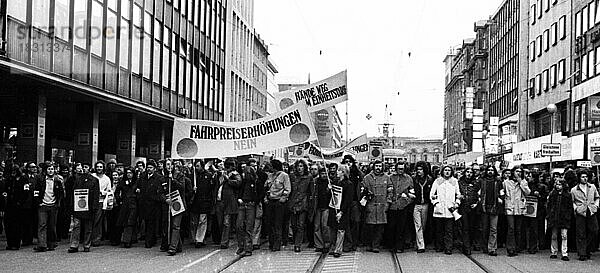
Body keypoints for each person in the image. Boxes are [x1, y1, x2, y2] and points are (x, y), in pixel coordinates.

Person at [68, 163, 100, 253]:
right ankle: (74, 245)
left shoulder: (94, 180)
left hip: (89, 207)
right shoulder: (77, 179)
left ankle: (86, 245)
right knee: (76, 226)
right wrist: (72, 205)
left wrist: (94, 207)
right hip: (78, 206)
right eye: (82, 167)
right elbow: (73, 192)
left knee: (88, 227)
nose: (83, 169)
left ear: (90, 168)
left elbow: (96, 195)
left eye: (85, 167)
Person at [33, 162, 65, 252]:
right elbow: (36, 191)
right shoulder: (40, 179)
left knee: (52, 226)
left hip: (53, 206)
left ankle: (51, 244)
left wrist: (57, 203)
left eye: (52, 169)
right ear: (45, 170)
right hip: (43, 205)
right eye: (49, 169)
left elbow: (61, 194)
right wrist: (39, 202)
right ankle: (42, 245)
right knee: (42, 225)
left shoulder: (57, 180)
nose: (51, 171)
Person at [161, 159, 191, 256]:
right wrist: (165, 199)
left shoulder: (180, 175)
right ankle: (178, 246)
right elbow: (160, 191)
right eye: (167, 165)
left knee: (176, 225)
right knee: (169, 225)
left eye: (170, 165)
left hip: (178, 203)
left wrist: (173, 180)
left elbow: (182, 187)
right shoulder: (162, 177)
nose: (169, 167)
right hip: (168, 204)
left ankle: (172, 248)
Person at [363, 160, 393, 253]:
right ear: (373, 167)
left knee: (380, 227)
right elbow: (363, 190)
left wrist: (388, 202)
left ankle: (376, 245)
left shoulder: (387, 178)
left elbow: (390, 191)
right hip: (371, 205)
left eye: (380, 166)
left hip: (382, 206)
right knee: (370, 226)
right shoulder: (367, 178)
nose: (378, 168)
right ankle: (369, 244)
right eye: (376, 166)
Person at [430, 165, 461, 255]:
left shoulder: (454, 181)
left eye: (449, 170)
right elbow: (432, 194)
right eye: (445, 170)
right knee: (439, 229)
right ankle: (439, 246)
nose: (447, 172)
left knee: (449, 230)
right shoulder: (437, 181)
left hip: (450, 209)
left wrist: (457, 203)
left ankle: (448, 247)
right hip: (439, 209)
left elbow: (458, 194)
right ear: (442, 171)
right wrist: (436, 203)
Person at [236, 158, 263, 256]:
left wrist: (254, 201)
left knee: (249, 227)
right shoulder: (243, 183)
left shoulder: (256, 183)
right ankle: (241, 245)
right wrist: (239, 198)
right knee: (239, 225)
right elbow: (239, 192)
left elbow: (261, 193)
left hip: (251, 204)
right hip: (242, 204)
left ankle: (248, 248)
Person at [570, 169, 599, 261]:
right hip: (581, 212)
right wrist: (576, 209)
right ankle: (582, 253)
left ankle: (587, 249)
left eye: (586, 176)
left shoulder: (592, 187)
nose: (585, 178)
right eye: (582, 177)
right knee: (580, 233)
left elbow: (597, 197)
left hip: (591, 210)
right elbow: (572, 201)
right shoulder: (574, 190)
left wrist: (596, 206)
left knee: (594, 230)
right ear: (579, 178)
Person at [214, 158, 241, 249]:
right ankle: (224, 238)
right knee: (220, 222)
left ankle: (224, 242)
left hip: (228, 202)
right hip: (219, 200)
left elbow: (238, 183)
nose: (226, 169)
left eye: (228, 167)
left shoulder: (235, 174)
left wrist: (228, 179)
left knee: (226, 222)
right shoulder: (221, 174)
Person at [387, 162, 414, 253]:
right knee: (392, 226)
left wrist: (408, 200)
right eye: (399, 168)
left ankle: (400, 246)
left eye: (402, 169)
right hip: (392, 205)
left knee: (401, 227)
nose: (400, 170)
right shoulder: (390, 177)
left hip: (403, 205)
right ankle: (391, 244)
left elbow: (412, 192)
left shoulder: (408, 178)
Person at [137, 159, 165, 248]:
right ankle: (150, 239)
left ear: (154, 168)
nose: (149, 169)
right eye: (148, 167)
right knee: (147, 222)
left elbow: (161, 190)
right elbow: (138, 186)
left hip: (154, 204)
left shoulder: (159, 177)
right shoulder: (143, 176)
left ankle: (149, 241)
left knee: (152, 223)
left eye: (151, 167)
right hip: (144, 203)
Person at [504, 167, 531, 257]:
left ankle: (517, 247)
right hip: (510, 208)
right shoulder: (506, 182)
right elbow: (502, 193)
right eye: (517, 171)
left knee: (518, 229)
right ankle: (510, 248)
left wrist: (521, 182)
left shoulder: (523, 182)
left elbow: (528, 192)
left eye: (520, 171)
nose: (518, 173)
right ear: (513, 172)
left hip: (519, 208)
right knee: (511, 228)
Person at [264, 159, 291, 252]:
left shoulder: (284, 176)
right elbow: (266, 187)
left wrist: (282, 199)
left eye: (271, 166)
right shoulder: (270, 176)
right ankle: (271, 242)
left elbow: (287, 189)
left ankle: (277, 244)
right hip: (270, 201)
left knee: (278, 223)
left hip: (279, 202)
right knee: (270, 223)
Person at [327, 164, 352, 258]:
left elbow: (348, 200)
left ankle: (338, 249)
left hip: (342, 210)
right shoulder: (335, 182)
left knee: (341, 230)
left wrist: (341, 212)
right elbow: (329, 196)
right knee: (332, 228)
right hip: (333, 208)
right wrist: (329, 189)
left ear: (343, 172)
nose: (336, 172)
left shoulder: (348, 184)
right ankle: (333, 247)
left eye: (338, 171)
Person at [288, 159, 312, 252]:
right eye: (298, 166)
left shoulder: (308, 177)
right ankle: (295, 240)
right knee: (294, 225)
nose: (299, 168)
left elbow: (311, 192)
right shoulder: (292, 176)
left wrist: (309, 203)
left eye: (301, 166)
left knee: (300, 225)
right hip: (293, 203)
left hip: (303, 203)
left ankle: (297, 244)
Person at [190, 160, 214, 248]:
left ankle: (199, 239)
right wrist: (192, 189)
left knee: (202, 220)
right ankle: (195, 238)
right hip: (195, 201)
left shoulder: (208, 175)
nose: (196, 168)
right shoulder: (192, 176)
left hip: (204, 201)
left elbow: (211, 189)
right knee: (194, 221)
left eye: (198, 166)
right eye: (195, 166)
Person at [342, 155, 364, 252]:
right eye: (346, 161)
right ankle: (348, 243)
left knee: (355, 222)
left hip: (355, 201)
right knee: (346, 223)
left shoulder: (357, 173)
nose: (348, 163)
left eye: (350, 161)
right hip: (345, 202)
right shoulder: (343, 174)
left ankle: (354, 242)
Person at [546, 178, 571, 261]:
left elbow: (569, 207)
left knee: (564, 236)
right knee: (554, 236)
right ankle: (554, 252)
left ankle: (564, 253)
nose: (558, 186)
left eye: (560, 184)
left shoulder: (568, 195)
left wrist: (568, 216)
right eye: (557, 184)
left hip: (564, 218)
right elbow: (549, 206)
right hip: (554, 217)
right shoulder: (552, 194)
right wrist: (549, 215)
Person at [412, 161, 433, 253]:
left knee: (423, 225)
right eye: (417, 169)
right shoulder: (413, 179)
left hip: (426, 205)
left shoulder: (429, 179)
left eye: (420, 169)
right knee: (418, 225)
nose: (418, 171)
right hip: (416, 205)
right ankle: (421, 245)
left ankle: (420, 241)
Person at [115, 168, 137, 248]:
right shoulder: (122, 182)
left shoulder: (136, 182)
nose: (129, 174)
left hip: (134, 204)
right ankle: (126, 239)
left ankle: (127, 240)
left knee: (130, 222)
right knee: (124, 222)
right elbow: (117, 192)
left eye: (130, 173)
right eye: (127, 173)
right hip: (124, 204)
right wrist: (119, 200)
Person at [3, 164, 24, 250]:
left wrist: (20, 202)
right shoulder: (8, 179)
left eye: (15, 172)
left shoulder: (23, 179)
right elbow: (5, 190)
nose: (13, 173)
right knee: (8, 225)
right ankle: (10, 243)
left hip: (18, 206)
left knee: (17, 225)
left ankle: (16, 243)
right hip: (9, 205)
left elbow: (25, 192)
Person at [310, 165, 331, 253]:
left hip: (326, 206)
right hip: (317, 206)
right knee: (317, 226)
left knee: (325, 226)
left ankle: (327, 243)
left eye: (325, 173)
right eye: (322, 173)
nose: (324, 175)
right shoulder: (315, 182)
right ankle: (319, 244)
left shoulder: (330, 182)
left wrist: (329, 190)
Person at [91, 161, 112, 246]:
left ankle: (96, 239)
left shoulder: (106, 179)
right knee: (91, 220)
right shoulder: (92, 176)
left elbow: (109, 191)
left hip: (101, 201)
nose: (99, 168)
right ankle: (89, 238)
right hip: (91, 201)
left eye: (101, 167)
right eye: (98, 167)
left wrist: (102, 192)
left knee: (98, 221)